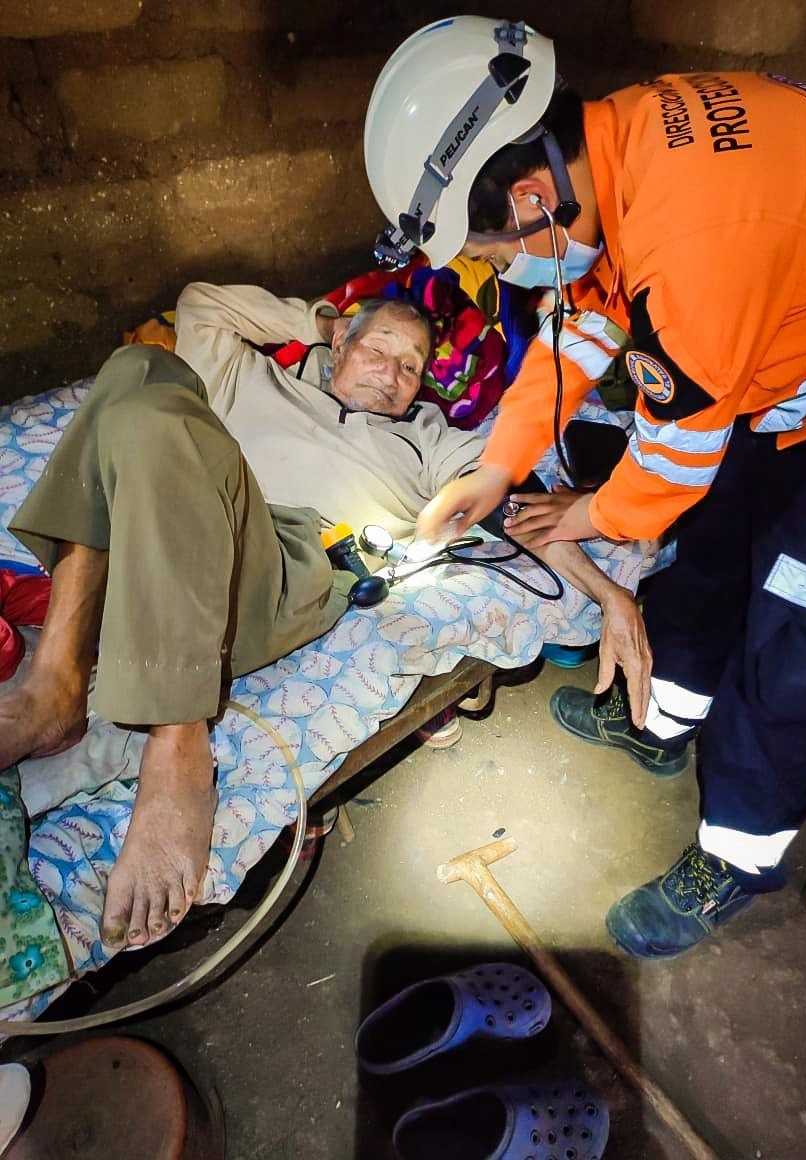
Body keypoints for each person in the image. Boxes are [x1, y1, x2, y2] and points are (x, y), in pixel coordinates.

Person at [364, 16, 806, 957]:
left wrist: (587, 515)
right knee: (711, 542)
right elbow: (584, 323)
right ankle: (660, 718)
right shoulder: (616, 149)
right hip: (788, 349)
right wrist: (499, 464)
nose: (499, 269)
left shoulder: (700, 237)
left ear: (529, 195)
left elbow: (671, 462)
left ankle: (738, 854)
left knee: (801, 627)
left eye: (494, 252)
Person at [0, 282, 648, 951]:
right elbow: (199, 305)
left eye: (412, 367)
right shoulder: (251, 378)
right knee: (140, 369)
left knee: (163, 415)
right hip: (154, 546)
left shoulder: (427, 441)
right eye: (379, 349)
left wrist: (610, 594)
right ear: (339, 342)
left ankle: (176, 737)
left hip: (273, 570)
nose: (392, 374)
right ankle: (56, 684)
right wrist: (317, 320)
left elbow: (514, 510)